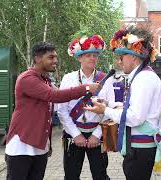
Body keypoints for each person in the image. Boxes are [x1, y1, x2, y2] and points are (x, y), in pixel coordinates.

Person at [5, 42, 100, 180]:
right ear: (37, 59)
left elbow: (60, 98)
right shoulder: (27, 78)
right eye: (50, 57)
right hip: (22, 145)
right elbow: (54, 96)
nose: (55, 60)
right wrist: (86, 88)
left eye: (55, 57)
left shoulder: (45, 81)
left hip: (39, 146)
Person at [85, 26, 161, 180]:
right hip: (138, 147)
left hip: (140, 149)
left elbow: (136, 117)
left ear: (133, 57)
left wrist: (105, 110)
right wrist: (108, 104)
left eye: (122, 57)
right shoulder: (142, 76)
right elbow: (133, 108)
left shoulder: (143, 79)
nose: (120, 61)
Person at [58, 34, 114, 180]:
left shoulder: (105, 79)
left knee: (100, 175)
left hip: (98, 134)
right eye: (88, 55)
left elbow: (110, 110)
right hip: (73, 134)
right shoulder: (68, 78)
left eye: (95, 55)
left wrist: (97, 134)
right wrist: (76, 135)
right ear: (79, 57)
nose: (93, 58)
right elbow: (62, 110)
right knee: (71, 175)